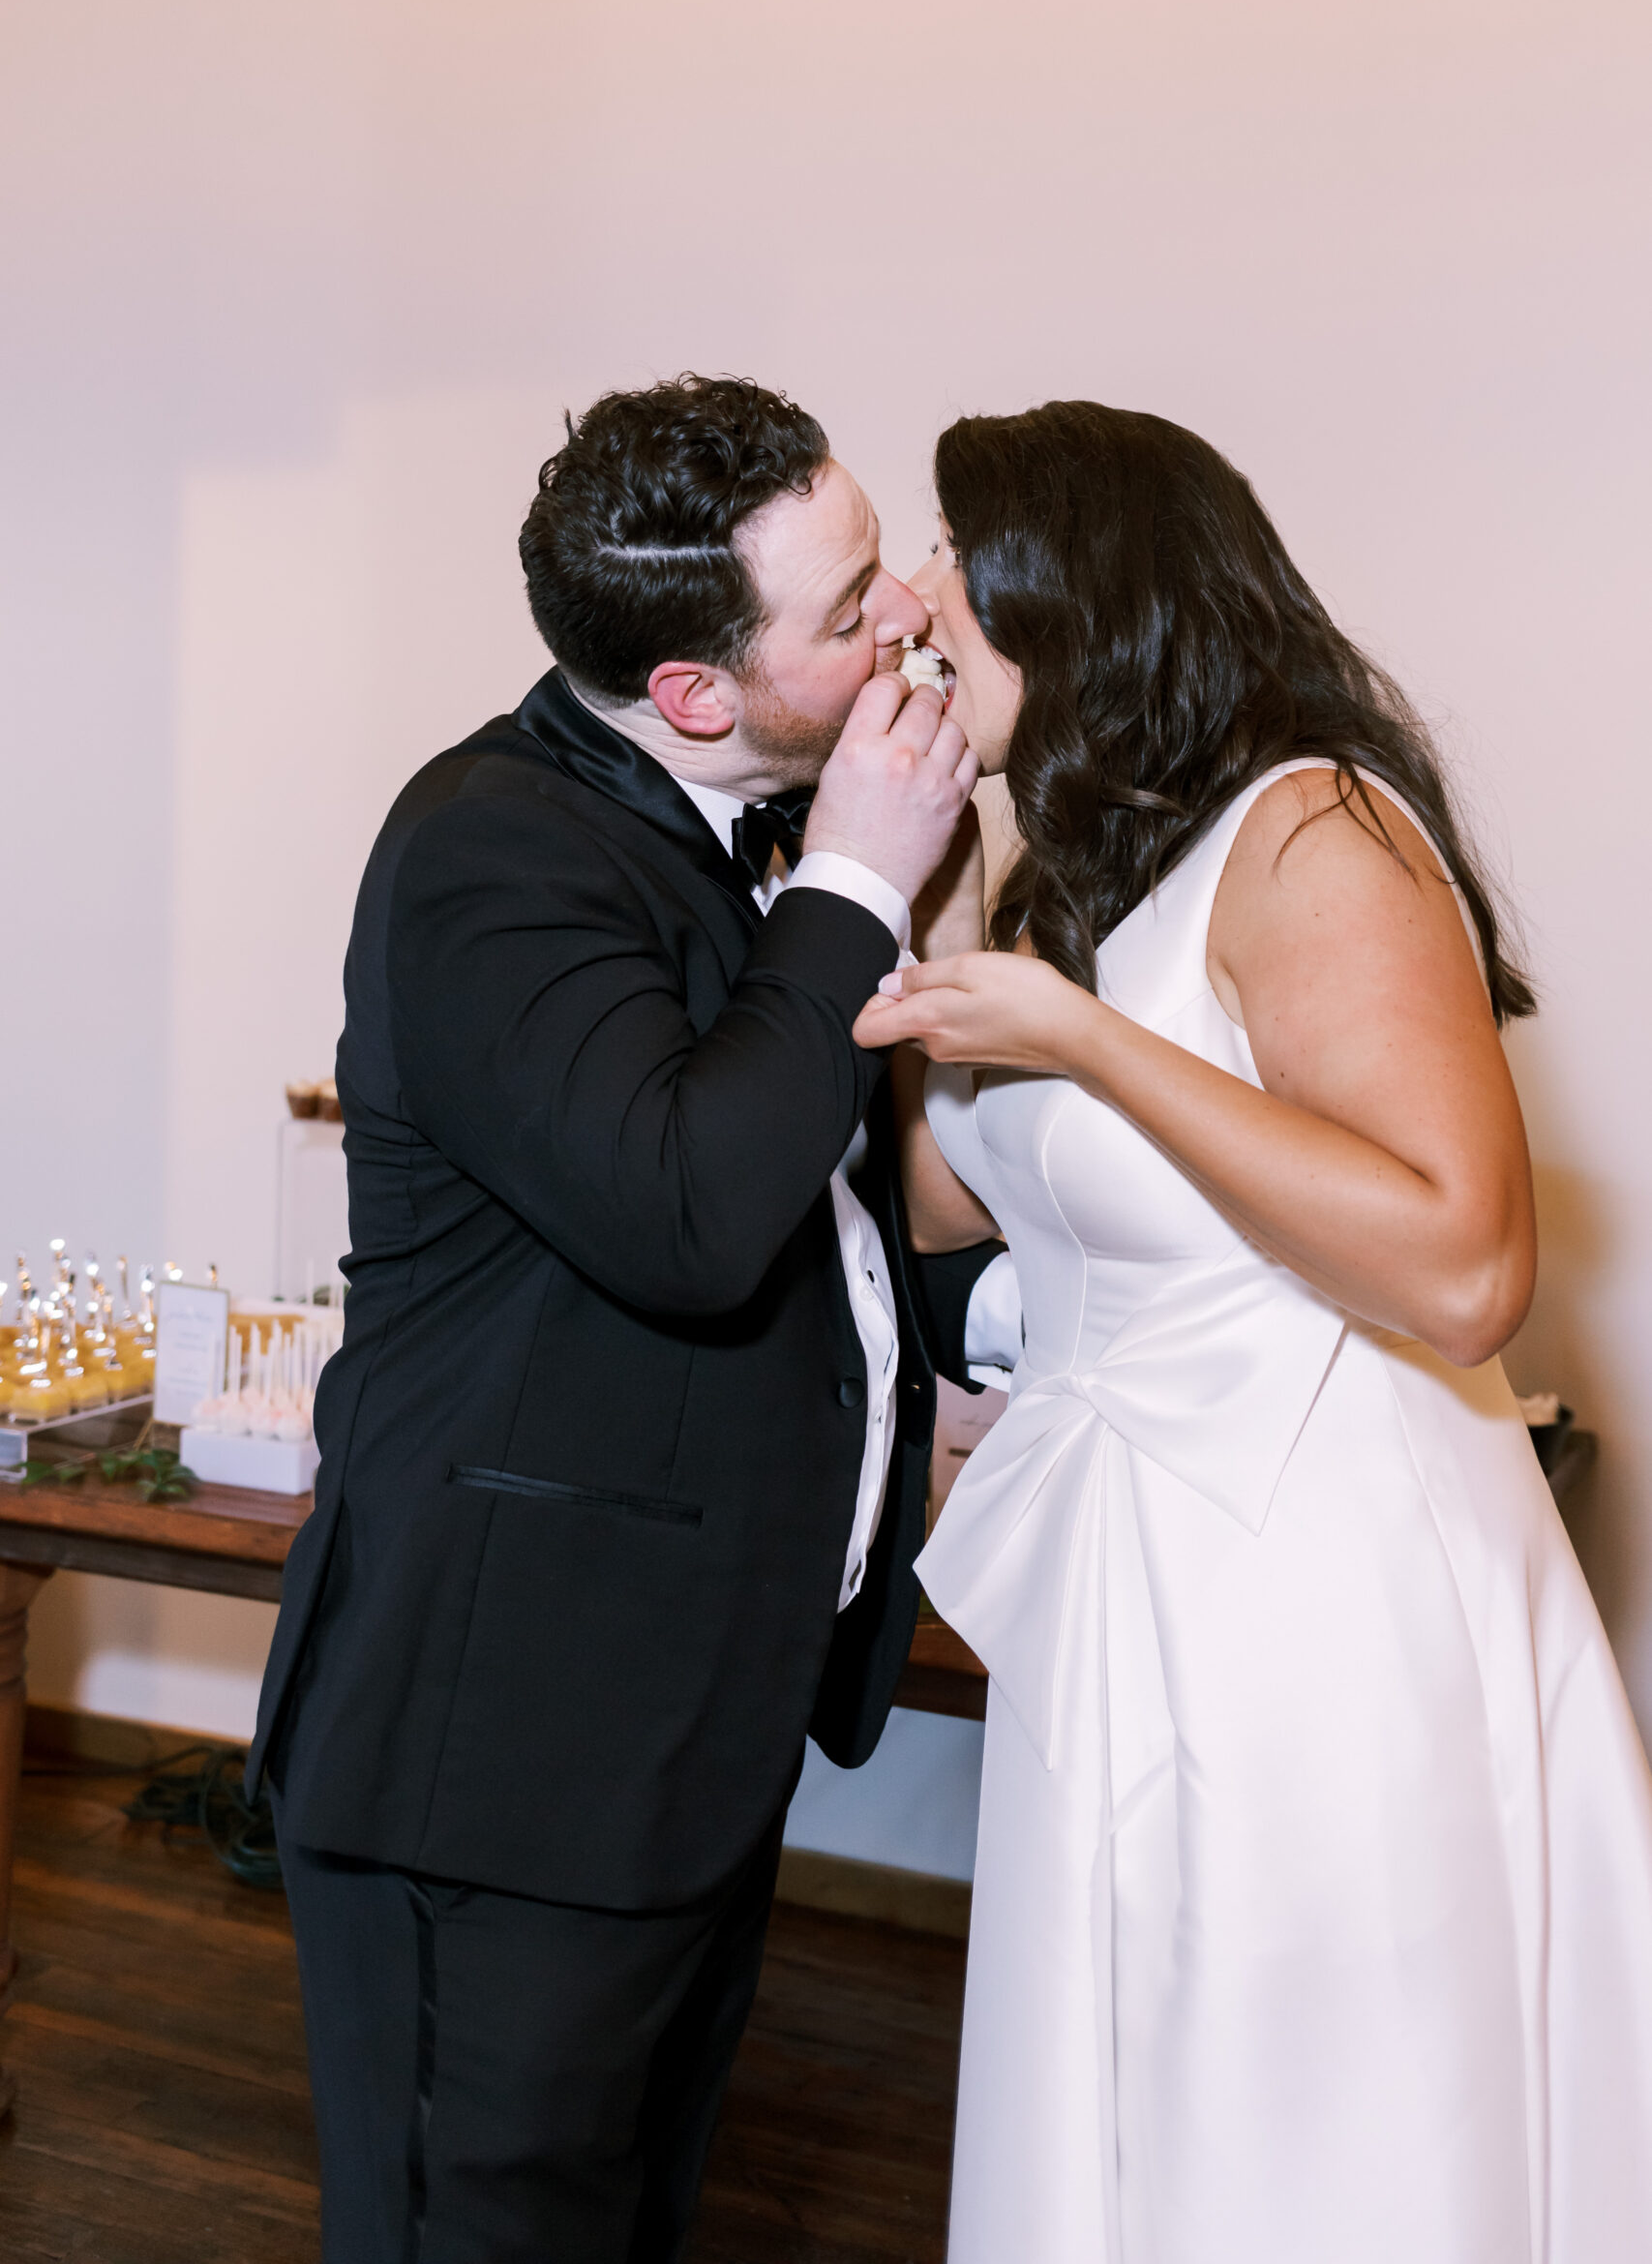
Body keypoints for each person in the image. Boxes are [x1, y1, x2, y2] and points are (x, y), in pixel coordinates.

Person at [856, 401, 1652, 2264]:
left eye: (955, 566)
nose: (913, 606)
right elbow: (957, 1203)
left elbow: (1464, 1267)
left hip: (1318, 1581)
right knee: (1151, 2090)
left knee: (1315, 2113)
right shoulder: (1086, 874)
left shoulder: (1311, 828)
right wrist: (914, 894)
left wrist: (1085, 1042)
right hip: (1147, 1583)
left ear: (1082, 587)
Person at [249, 376, 1013, 2262]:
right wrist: (854, 876)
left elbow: (838, 1210)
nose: (905, 609)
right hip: (501, 1754)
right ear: (691, 691)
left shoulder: (723, 833)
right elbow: (687, 1208)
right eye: (848, 611)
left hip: (673, 1729)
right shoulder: (492, 849)